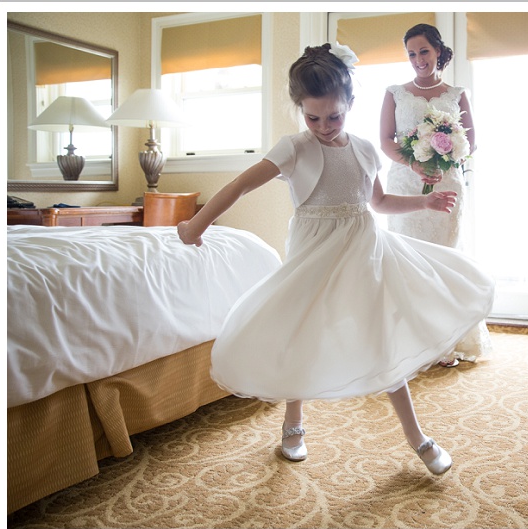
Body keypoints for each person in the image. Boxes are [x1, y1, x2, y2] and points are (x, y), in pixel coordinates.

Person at [177, 43, 494, 475]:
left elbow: (378, 203)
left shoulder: (364, 149)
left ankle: (417, 437)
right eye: (313, 117)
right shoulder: (294, 148)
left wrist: (423, 204)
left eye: (334, 116)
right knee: (301, 336)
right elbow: (239, 186)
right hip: (313, 260)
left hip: (365, 255)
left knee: (382, 339)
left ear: (350, 106)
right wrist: (196, 225)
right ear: (299, 110)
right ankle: (294, 424)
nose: (324, 126)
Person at [380, 23, 492, 368]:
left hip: (446, 183)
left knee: (444, 259)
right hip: (404, 184)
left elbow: (470, 141)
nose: (417, 60)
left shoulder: (457, 93)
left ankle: (446, 340)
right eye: (411, 54)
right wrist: (415, 165)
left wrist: (446, 159)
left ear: (438, 52)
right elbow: (386, 140)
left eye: (423, 51)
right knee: (407, 260)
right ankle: (410, 341)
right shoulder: (395, 92)